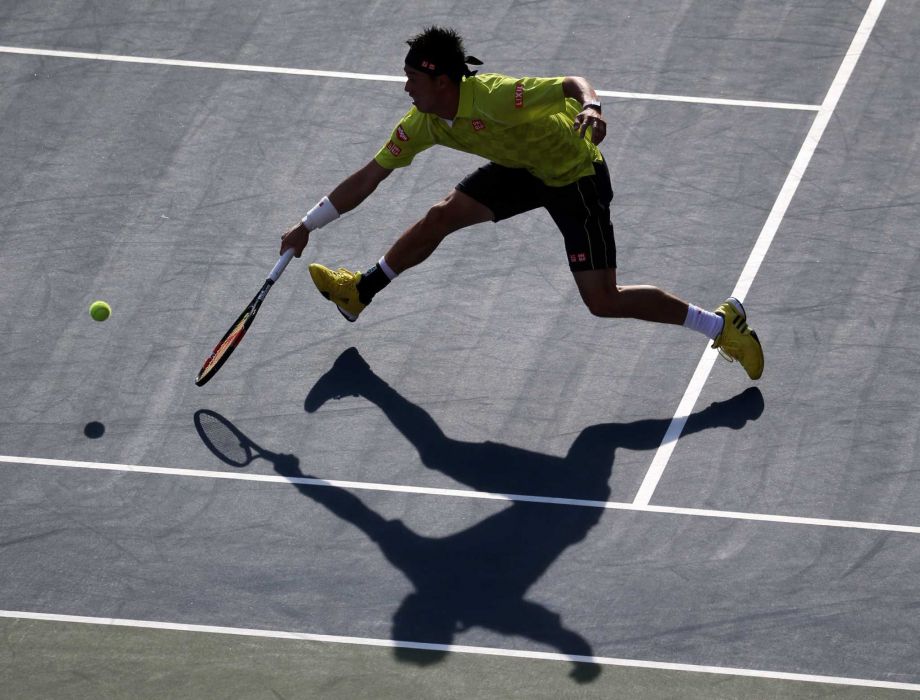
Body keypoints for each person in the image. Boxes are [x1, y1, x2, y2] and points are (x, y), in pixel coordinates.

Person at [280, 26, 763, 379]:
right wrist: (308, 224)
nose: (406, 87)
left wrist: (592, 107)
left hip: (574, 176)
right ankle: (359, 291)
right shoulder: (423, 123)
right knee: (441, 216)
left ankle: (722, 324)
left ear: (442, 82)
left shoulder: (496, 96)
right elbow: (369, 177)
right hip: (523, 170)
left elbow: (571, 83)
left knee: (602, 301)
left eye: (412, 79)